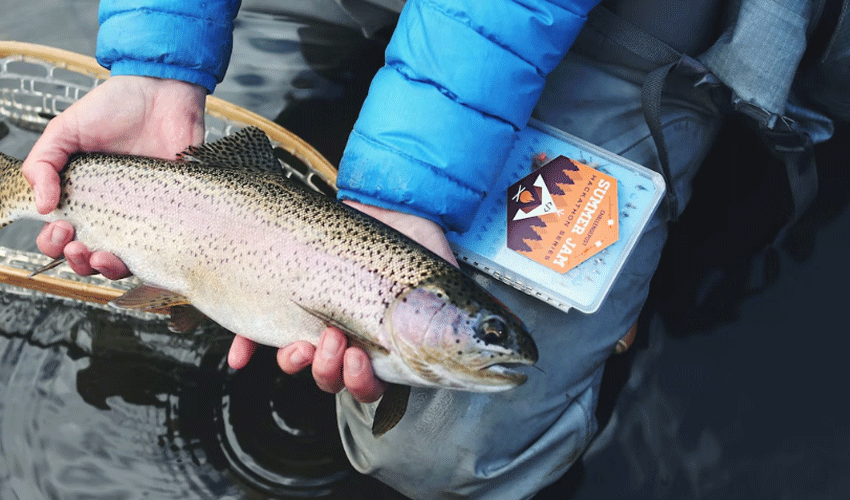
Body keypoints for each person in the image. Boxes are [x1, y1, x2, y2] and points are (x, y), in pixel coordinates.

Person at [20, 0, 737, 498]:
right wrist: (157, 60)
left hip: (608, 27)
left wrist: (406, 195)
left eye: (482, 329)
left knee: (439, 450)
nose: (487, 338)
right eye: (482, 329)